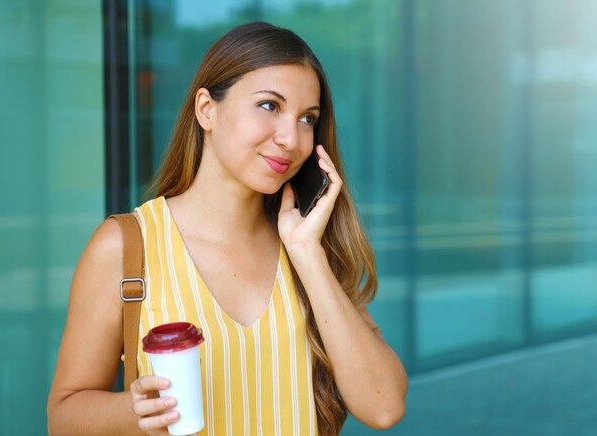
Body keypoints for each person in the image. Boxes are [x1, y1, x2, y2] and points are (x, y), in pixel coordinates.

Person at [47, 21, 408, 435]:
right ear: (207, 109)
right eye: (269, 106)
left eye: (307, 118)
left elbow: (384, 407)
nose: (291, 138)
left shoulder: (307, 247)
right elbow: (63, 417)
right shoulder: (128, 247)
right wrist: (131, 413)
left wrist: (307, 253)